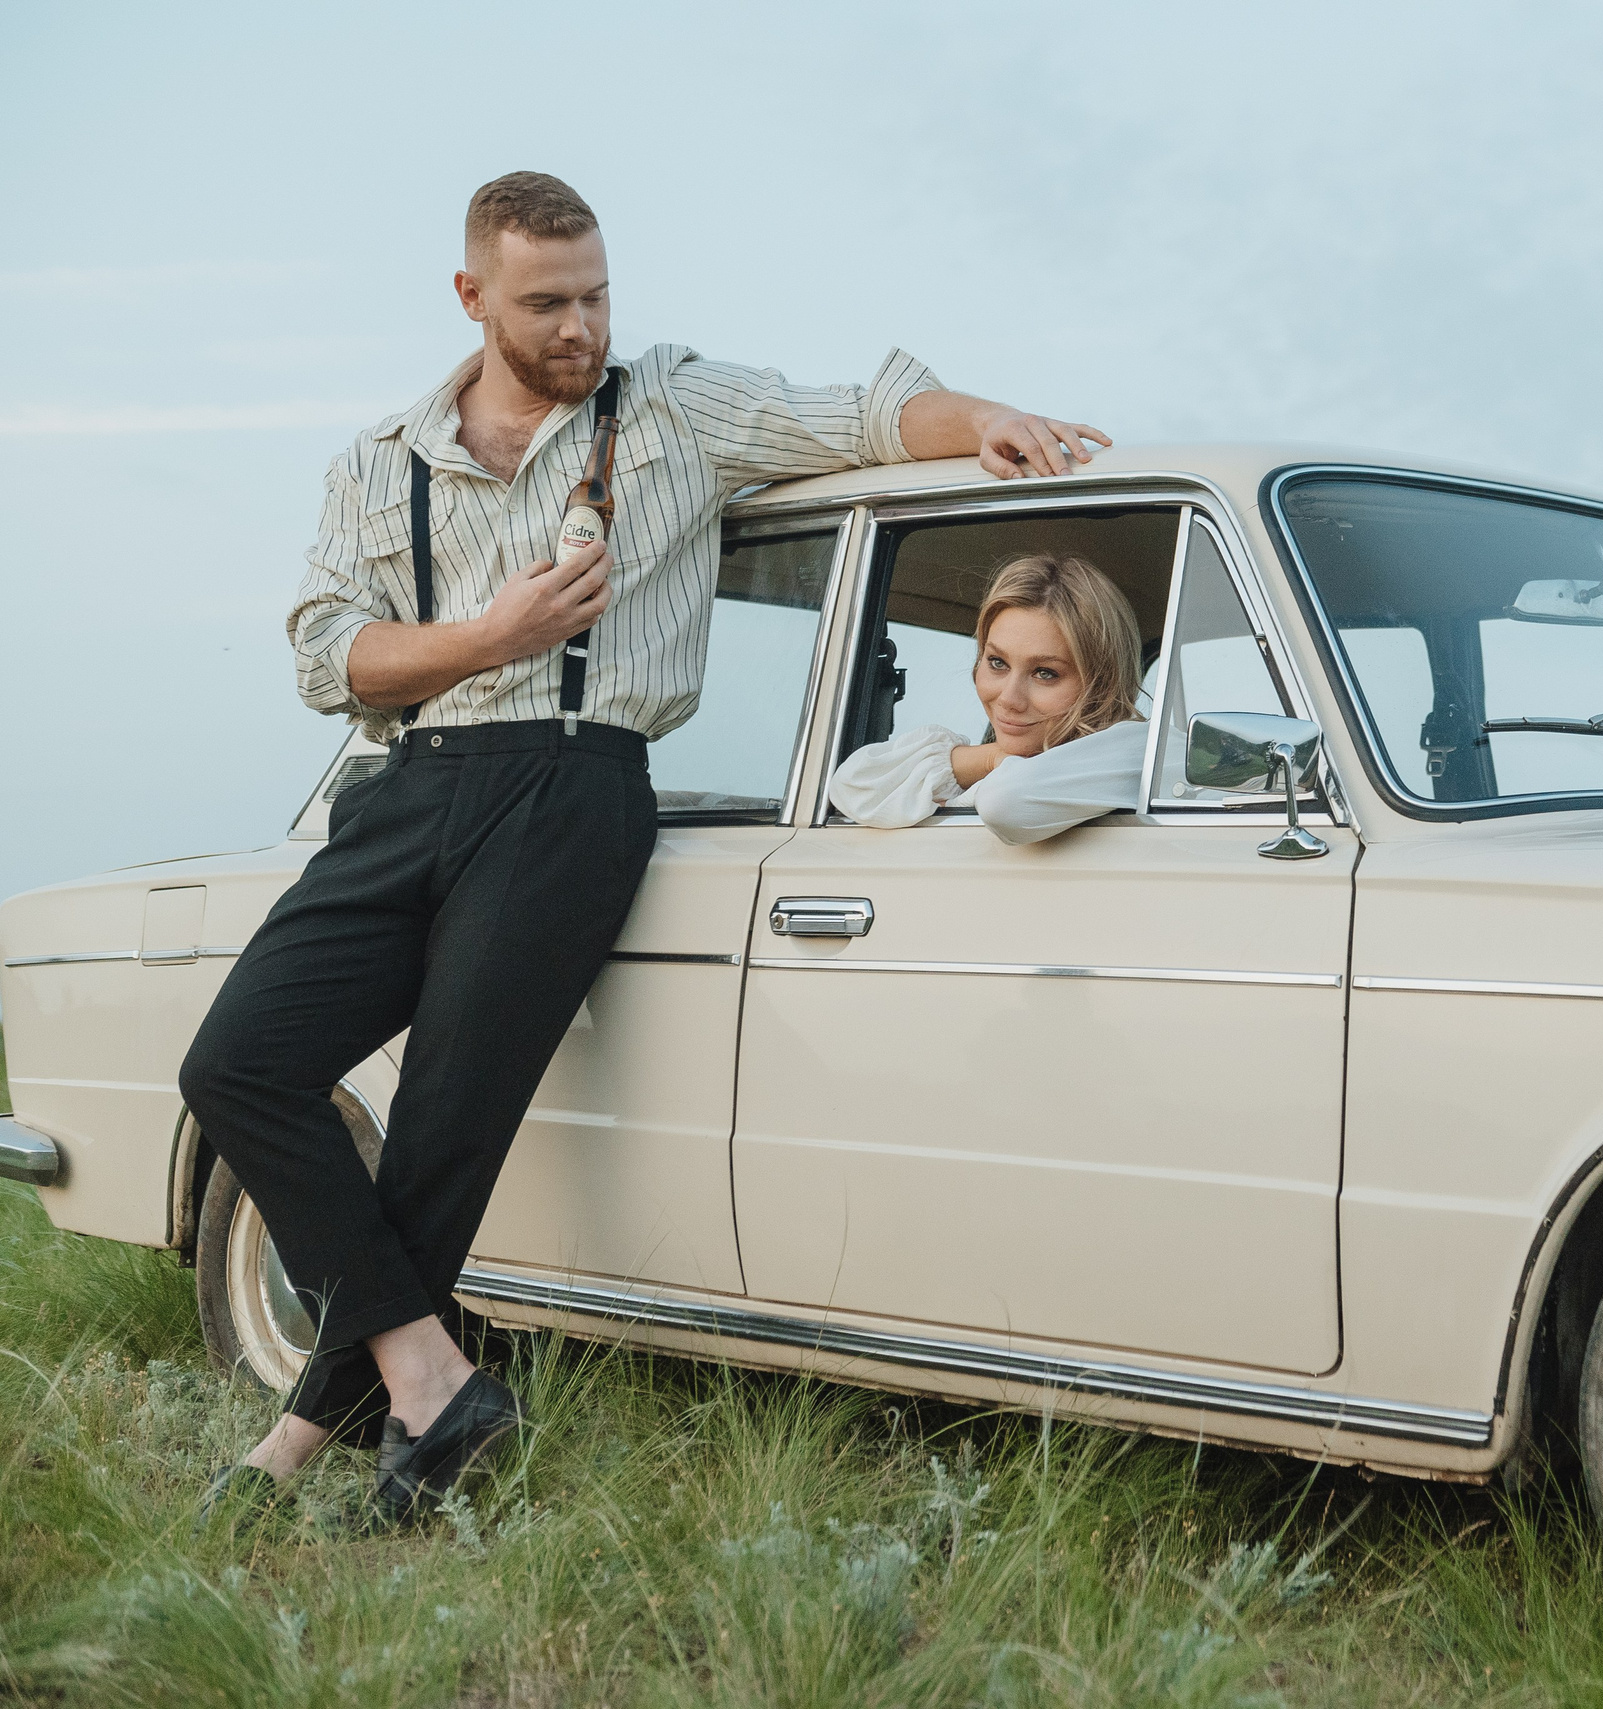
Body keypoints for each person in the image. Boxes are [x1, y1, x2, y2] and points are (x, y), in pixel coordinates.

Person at [177, 171, 1111, 1529]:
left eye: (597, 294)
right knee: (237, 1061)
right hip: (410, 782)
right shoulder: (378, 460)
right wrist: (487, 639)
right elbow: (333, 658)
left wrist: (988, 418)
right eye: (548, 302)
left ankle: (306, 1439)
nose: (582, 325)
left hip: (575, 789)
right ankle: (431, 1377)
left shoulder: (668, 403)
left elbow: (855, 410)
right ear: (473, 299)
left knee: (445, 1119)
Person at [828, 553, 1146, 843]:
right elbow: (852, 784)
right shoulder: (1010, 769)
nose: (1009, 698)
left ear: (1102, 683)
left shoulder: (1142, 752)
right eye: (997, 663)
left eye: (1045, 673)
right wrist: (990, 759)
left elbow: (1006, 800)